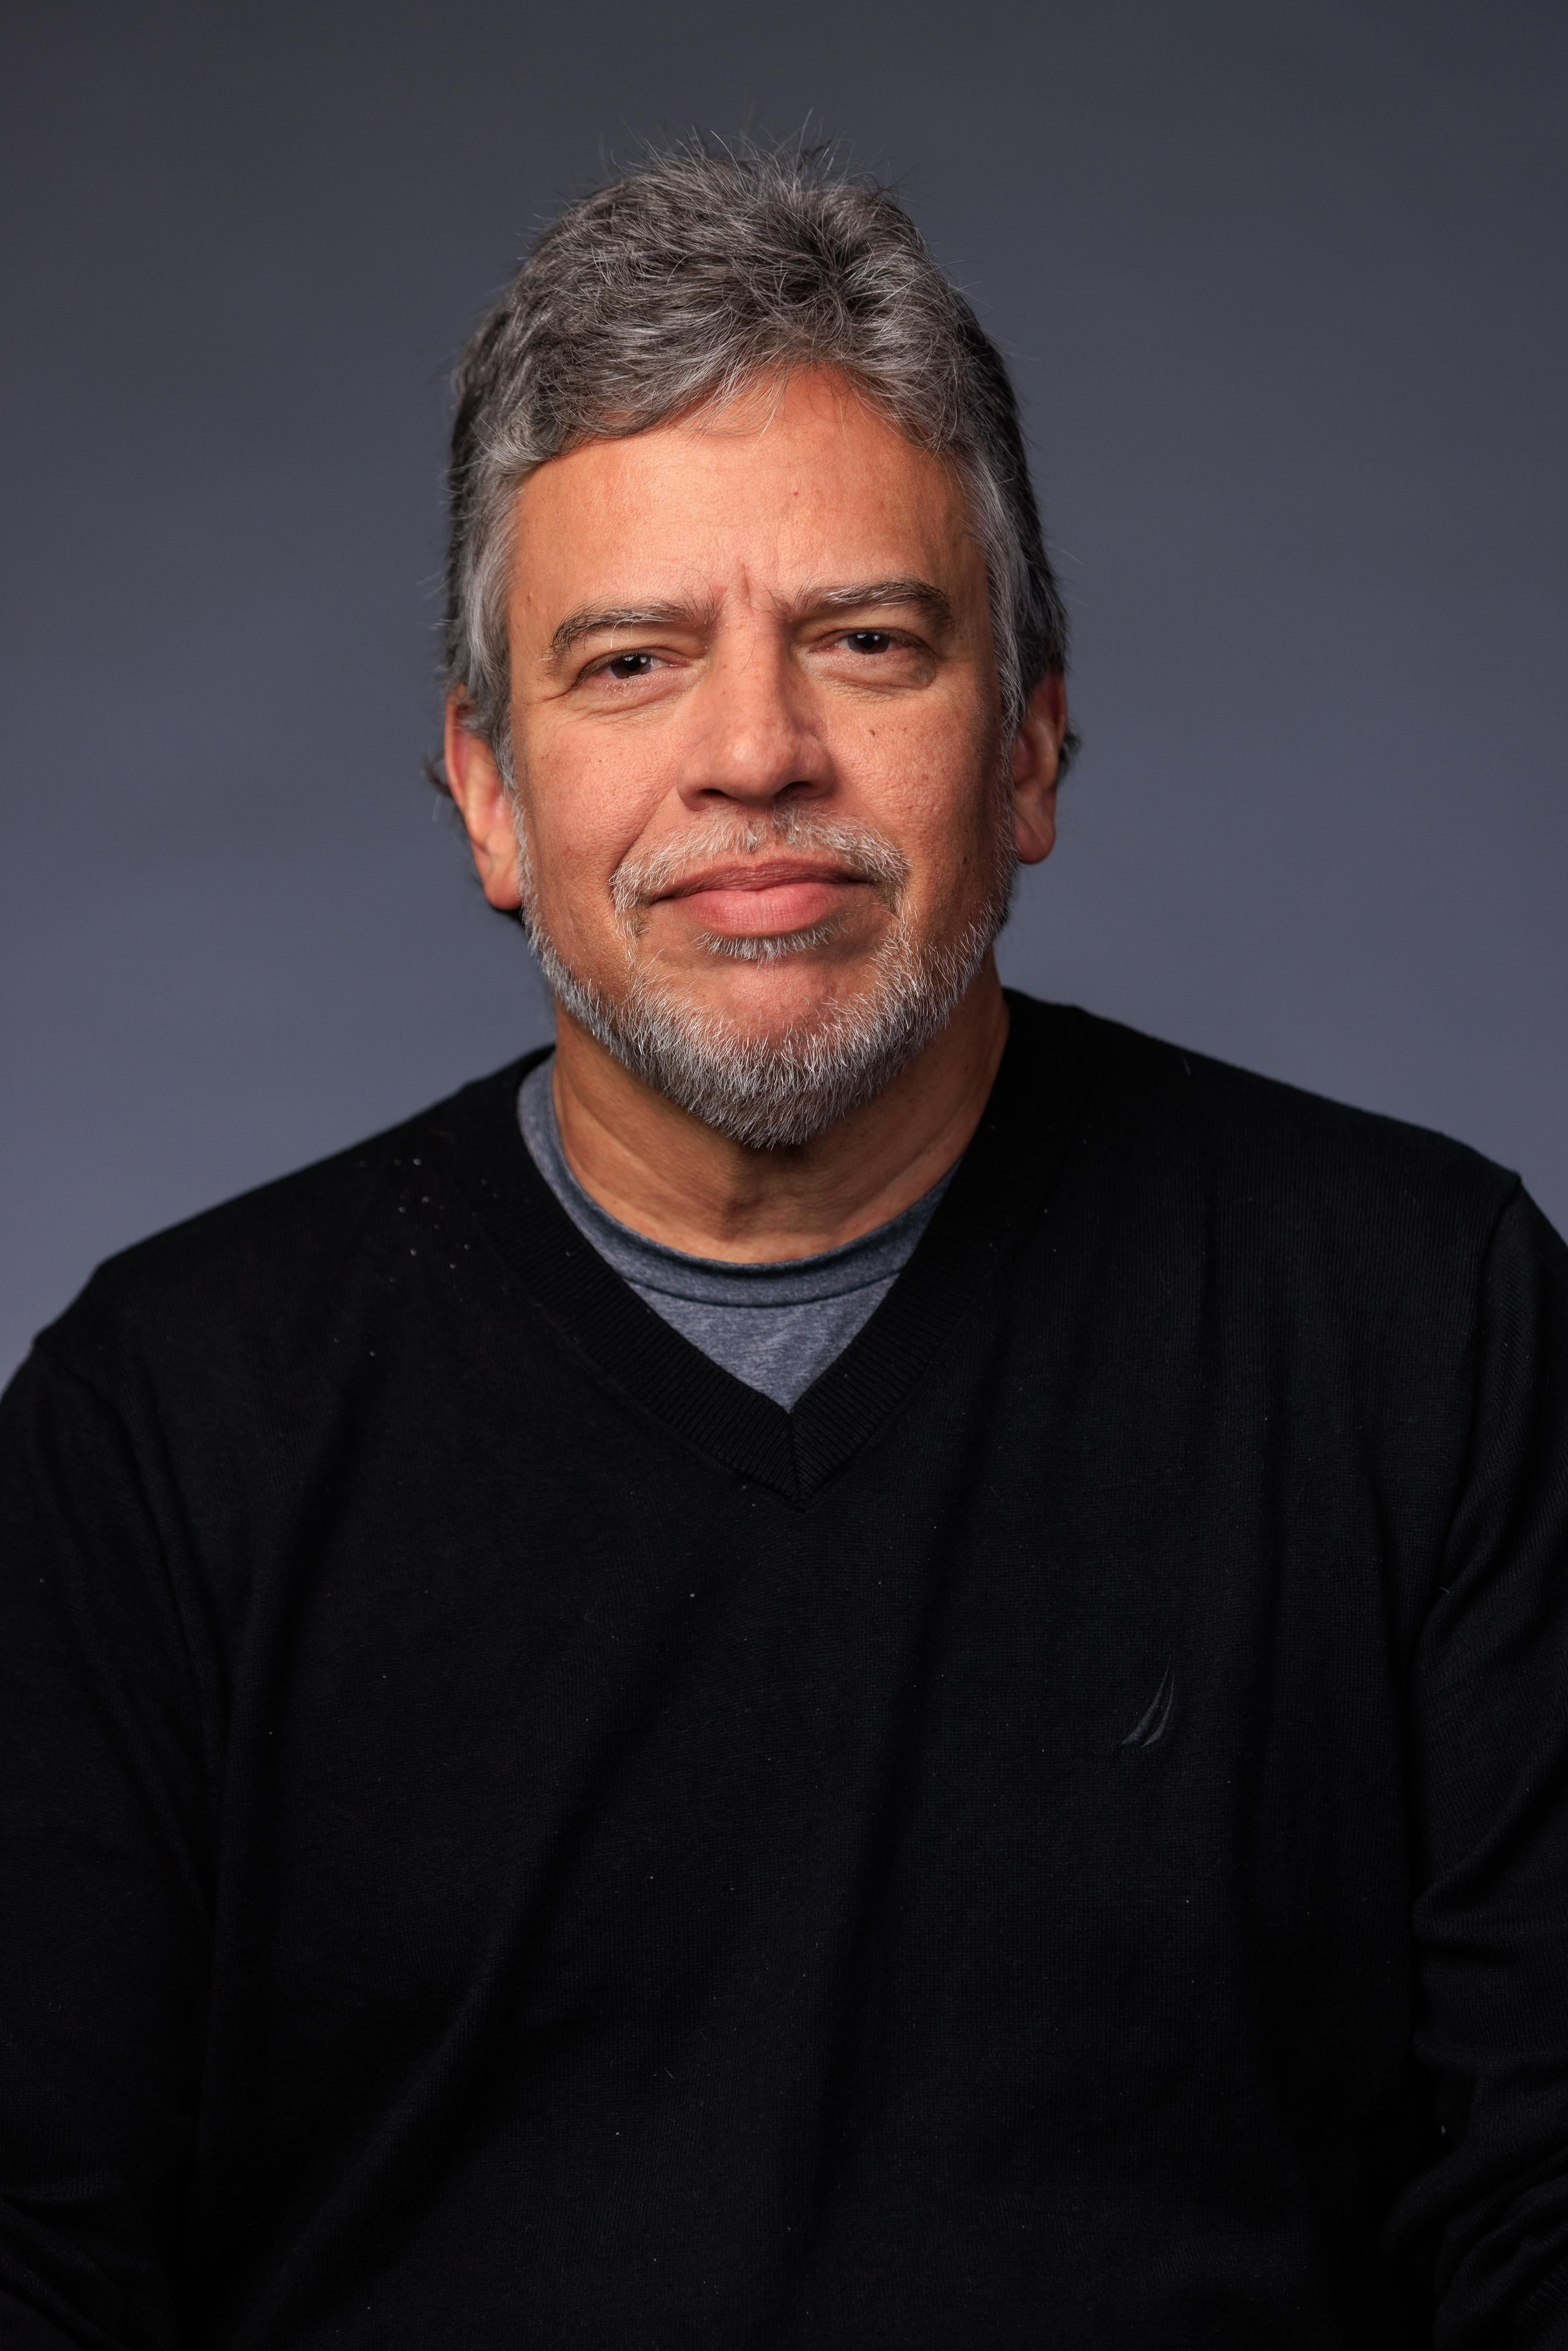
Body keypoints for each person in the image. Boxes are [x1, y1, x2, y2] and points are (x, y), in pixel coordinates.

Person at [2, 143, 1566, 2351]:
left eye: (865, 640)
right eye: (632, 659)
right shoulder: (162, 1432)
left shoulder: (1422, 1330)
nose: (754, 752)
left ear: (1026, 748)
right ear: (489, 793)